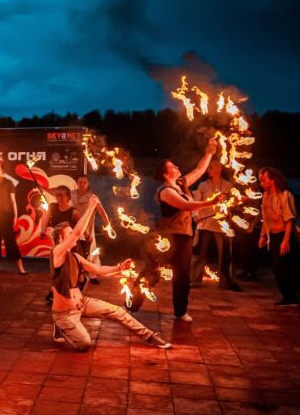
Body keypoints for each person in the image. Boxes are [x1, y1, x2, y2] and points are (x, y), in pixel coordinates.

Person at [50, 195, 171, 350]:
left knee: (117, 311)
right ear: (60, 240)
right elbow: (78, 232)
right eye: (69, 234)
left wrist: (118, 268)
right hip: (64, 313)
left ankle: (149, 336)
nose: (74, 235)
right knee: (84, 344)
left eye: (72, 232)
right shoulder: (57, 253)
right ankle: (61, 326)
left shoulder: (76, 257)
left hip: (82, 304)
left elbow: (98, 270)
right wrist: (91, 207)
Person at [129, 138, 220, 322]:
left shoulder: (182, 183)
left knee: (182, 276)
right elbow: (186, 205)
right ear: (165, 174)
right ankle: (131, 305)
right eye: (172, 167)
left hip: (184, 237)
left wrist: (209, 152)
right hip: (166, 238)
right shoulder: (165, 191)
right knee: (152, 272)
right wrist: (211, 202)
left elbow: (200, 170)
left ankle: (180, 311)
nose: (177, 167)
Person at [258, 167, 300, 308]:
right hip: (273, 236)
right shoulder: (265, 196)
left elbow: (289, 220)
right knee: (277, 268)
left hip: (284, 235)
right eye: (260, 180)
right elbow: (265, 219)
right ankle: (290, 297)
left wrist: (285, 241)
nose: (261, 183)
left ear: (273, 180)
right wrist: (263, 236)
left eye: (264, 180)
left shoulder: (284, 195)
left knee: (286, 267)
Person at [190, 161, 242, 291]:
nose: (208, 170)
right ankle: (194, 279)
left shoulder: (228, 186)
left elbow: (235, 202)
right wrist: (195, 214)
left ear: (218, 169)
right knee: (198, 253)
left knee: (225, 253)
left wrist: (238, 200)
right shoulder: (203, 185)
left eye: (211, 168)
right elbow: (195, 202)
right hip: (204, 223)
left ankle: (226, 281)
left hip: (222, 224)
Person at [0, 163, 26, 274]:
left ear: (3, 172)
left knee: (10, 241)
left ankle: (21, 268)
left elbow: (13, 200)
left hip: (6, 215)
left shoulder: (9, 182)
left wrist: (16, 215)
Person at [71, 174, 110, 284]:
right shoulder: (71, 194)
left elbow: (101, 211)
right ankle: (76, 274)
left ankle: (93, 275)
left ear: (88, 183)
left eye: (84, 182)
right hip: (73, 228)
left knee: (91, 252)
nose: (81, 184)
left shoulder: (93, 197)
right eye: (80, 182)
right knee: (75, 252)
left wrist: (108, 225)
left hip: (88, 228)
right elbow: (55, 192)